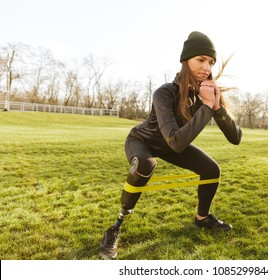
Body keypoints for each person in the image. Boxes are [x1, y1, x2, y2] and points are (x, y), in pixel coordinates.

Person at [99, 31, 242, 260]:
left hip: (171, 144)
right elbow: (176, 142)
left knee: (211, 170)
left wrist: (216, 107)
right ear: (186, 61)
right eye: (200, 60)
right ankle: (115, 228)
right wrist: (206, 107)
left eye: (211, 62)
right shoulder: (164, 93)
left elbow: (236, 137)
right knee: (145, 165)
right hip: (142, 141)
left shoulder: (204, 93)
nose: (206, 67)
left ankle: (202, 218)